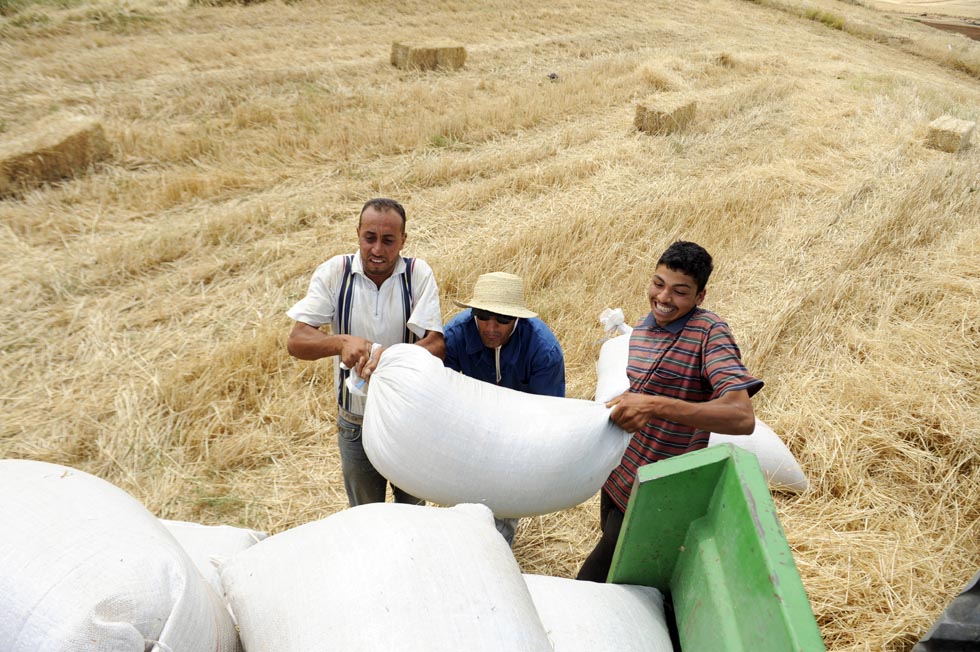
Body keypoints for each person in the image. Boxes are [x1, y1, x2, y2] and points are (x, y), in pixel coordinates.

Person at [577, 241, 763, 582]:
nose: (663, 298)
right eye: (658, 284)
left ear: (700, 296)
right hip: (618, 479)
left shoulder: (710, 333)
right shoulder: (644, 328)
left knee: (592, 583)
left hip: (656, 493)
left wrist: (654, 405)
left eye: (680, 291)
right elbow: (646, 387)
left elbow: (741, 416)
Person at [286, 198, 445, 507]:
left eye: (388, 240)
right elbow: (297, 341)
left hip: (407, 418)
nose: (377, 249)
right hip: (355, 421)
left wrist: (390, 359)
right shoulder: (335, 272)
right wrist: (340, 342)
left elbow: (436, 345)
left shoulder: (417, 274)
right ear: (357, 233)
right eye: (369, 238)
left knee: (414, 514)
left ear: (403, 240)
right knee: (366, 516)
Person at [443, 271, 565, 546]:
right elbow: (441, 390)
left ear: (517, 319)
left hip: (517, 434)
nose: (491, 327)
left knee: (504, 505)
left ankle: (497, 550)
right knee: (463, 502)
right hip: (471, 425)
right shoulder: (455, 335)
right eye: (483, 316)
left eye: (502, 319)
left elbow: (548, 413)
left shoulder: (544, 351)